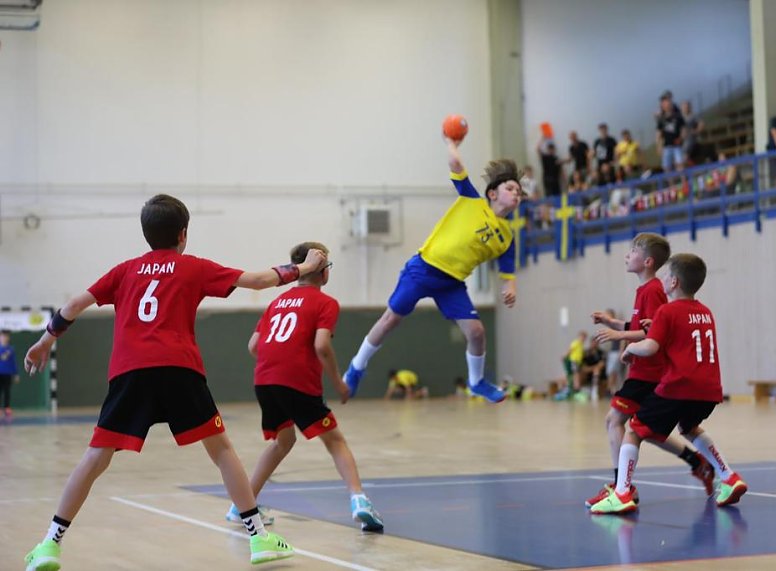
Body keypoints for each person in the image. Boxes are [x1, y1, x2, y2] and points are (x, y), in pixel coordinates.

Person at [21, 194, 326, 570]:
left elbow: (73, 306)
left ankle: (50, 545)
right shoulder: (193, 267)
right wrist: (302, 267)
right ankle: (258, 537)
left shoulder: (124, 271)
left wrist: (45, 340)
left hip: (130, 372)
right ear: (183, 235)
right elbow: (259, 281)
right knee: (222, 451)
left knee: (95, 458)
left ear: (146, 234)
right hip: (180, 369)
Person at [342, 135, 522, 404]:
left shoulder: (507, 236)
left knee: (476, 333)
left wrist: (510, 288)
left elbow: (507, 271)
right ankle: (356, 367)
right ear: (493, 193)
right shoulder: (472, 200)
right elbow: (456, 165)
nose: (516, 194)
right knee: (390, 319)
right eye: (511, 188)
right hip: (424, 269)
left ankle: (476, 382)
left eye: (519, 192)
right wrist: (452, 143)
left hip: (452, 283)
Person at [224, 241, 384, 533]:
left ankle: (241, 506)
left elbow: (253, 346)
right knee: (335, 440)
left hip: (264, 381)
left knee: (283, 441)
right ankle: (359, 500)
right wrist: (339, 383)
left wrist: (278, 359)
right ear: (323, 271)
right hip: (295, 381)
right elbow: (322, 345)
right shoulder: (325, 303)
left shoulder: (276, 303)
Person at [590, 254, 747, 514]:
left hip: (678, 386)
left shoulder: (667, 310)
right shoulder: (705, 312)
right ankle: (729, 476)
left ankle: (622, 493)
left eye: (666, 275)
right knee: (689, 428)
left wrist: (631, 350)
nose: (662, 279)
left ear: (673, 282)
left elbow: (651, 346)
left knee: (634, 430)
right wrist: (656, 327)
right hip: (708, 390)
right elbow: (681, 335)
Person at [0, 329, 19, 417]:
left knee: (7, 391)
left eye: (6, 336)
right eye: (2, 336)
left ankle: (7, 407)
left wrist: (16, 374)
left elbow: (13, 362)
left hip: (7, 374)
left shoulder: (11, 349)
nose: (4, 338)